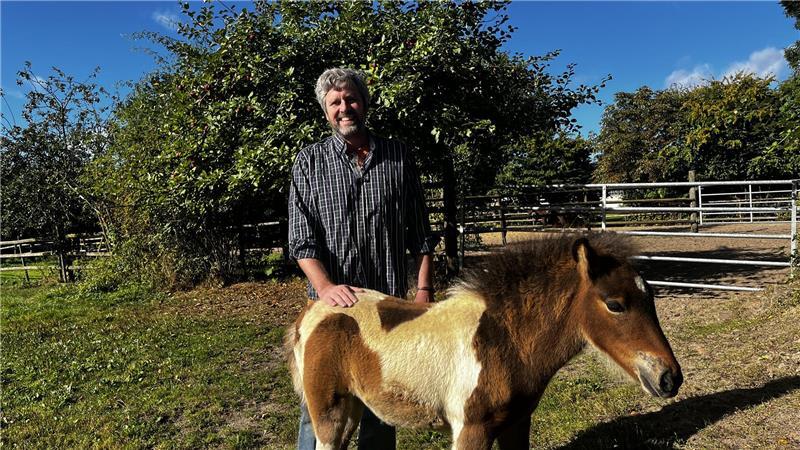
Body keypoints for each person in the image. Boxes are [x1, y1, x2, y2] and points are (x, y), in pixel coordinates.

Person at [288, 67, 438, 450]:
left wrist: (422, 291)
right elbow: (301, 241)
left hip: (386, 307)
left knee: (382, 405)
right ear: (325, 110)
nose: (344, 108)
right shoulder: (308, 162)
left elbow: (421, 233)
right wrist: (324, 287)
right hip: (331, 311)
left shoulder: (397, 156)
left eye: (350, 98)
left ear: (364, 102)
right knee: (320, 409)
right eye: (335, 102)